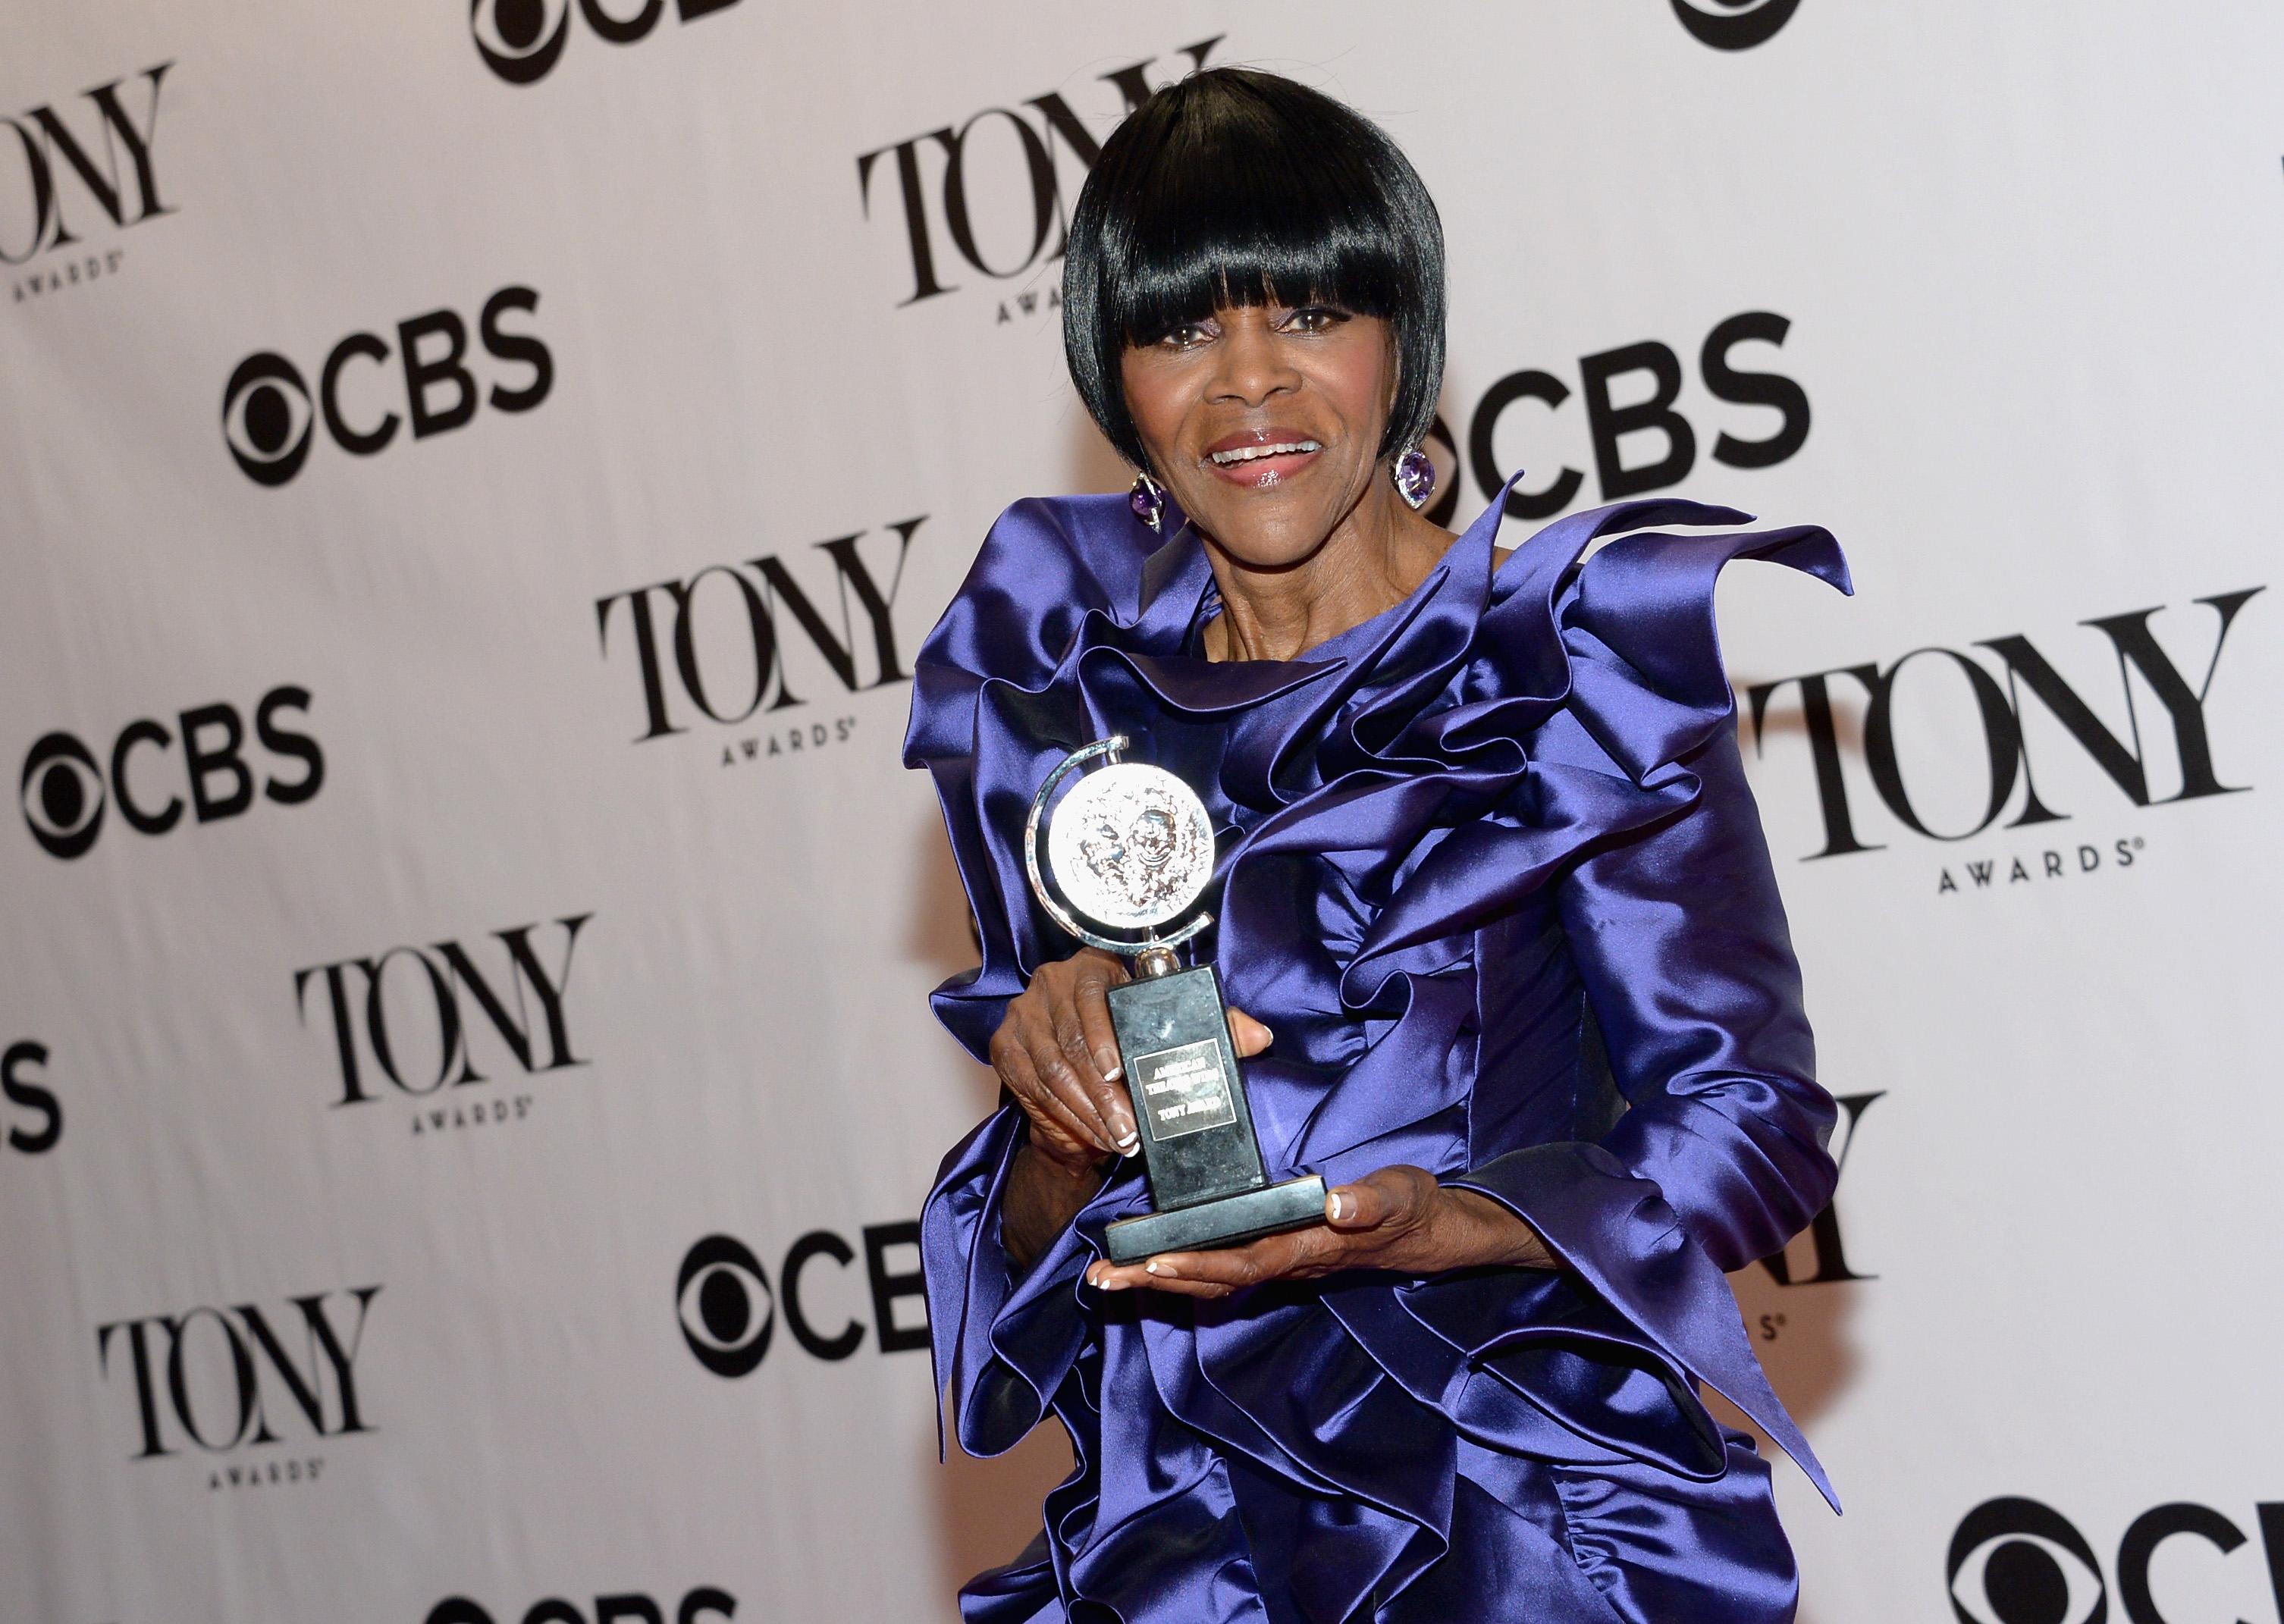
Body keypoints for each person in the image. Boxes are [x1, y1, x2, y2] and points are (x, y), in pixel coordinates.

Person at [904, 66, 1848, 1624]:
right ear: (1111, 374)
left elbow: (1752, 1124)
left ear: (1405, 339)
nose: (1251, 385)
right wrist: (1060, 1117)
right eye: (1185, 328)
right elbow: (1032, 1279)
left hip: (1520, 1525)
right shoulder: (1069, 728)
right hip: (1184, 1549)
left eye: (1313, 316)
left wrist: (1453, 1226)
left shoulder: (1562, 671)